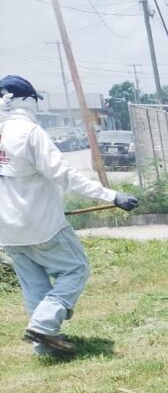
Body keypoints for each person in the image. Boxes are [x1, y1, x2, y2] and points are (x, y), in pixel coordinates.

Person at [0, 74, 138, 357]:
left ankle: (43, 345)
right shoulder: (29, 132)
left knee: (34, 283)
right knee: (76, 269)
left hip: (8, 230)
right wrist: (112, 196)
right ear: (25, 100)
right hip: (41, 226)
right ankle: (42, 324)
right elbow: (65, 175)